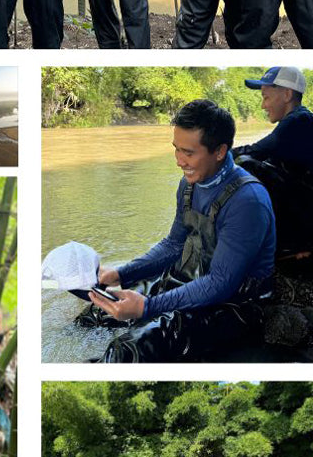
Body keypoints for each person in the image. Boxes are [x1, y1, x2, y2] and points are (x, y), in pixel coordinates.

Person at [87, 99, 276, 361]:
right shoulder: (189, 185)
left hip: (234, 305)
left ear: (220, 151)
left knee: (128, 350)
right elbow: (174, 245)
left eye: (188, 152)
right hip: (191, 280)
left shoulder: (248, 201)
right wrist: (120, 273)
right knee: (97, 309)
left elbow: (221, 283)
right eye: (176, 149)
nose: (179, 161)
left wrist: (147, 307)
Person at [233, 66, 313, 256]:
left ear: (287, 94)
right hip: (305, 206)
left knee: (246, 164)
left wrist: (213, 155)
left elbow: (254, 152)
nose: (262, 105)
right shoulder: (298, 120)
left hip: (307, 211)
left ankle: (291, 244)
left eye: (266, 97)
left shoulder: (298, 121)